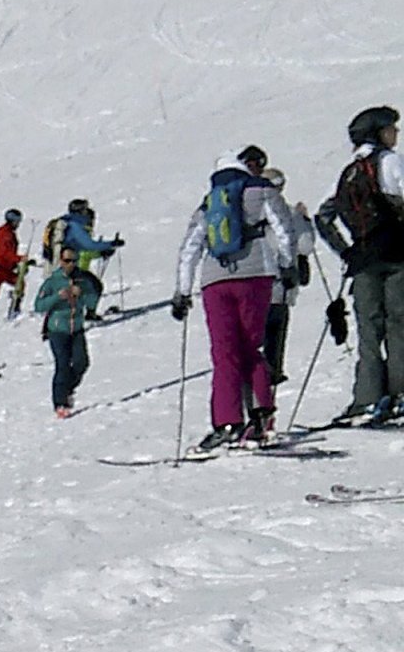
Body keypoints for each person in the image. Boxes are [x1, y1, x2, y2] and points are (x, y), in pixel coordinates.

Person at [172, 144, 298, 449]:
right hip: (256, 276)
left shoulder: (209, 203)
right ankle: (261, 416)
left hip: (215, 280)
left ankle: (227, 423)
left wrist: (182, 292)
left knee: (225, 353)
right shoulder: (262, 191)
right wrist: (288, 264)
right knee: (251, 347)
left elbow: (190, 248)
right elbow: (285, 230)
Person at [316, 106, 404, 423]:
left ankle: (366, 397)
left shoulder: (349, 171)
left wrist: (347, 251)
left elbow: (322, 215)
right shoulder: (390, 161)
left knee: (368, 331)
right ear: (377, 132)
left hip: (363, 262)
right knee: (399, 325)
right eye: (391, 128)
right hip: (397, 257)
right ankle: (400, 394)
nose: (396, 133)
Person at [259, 167, 314, 387]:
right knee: (275, 333)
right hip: (281, 285)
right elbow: (305, 245)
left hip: (251, 283)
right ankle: (272, 372)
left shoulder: (248, 211)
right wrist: (305, 220)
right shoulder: (289, 213)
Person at [33, 244, 101, 417]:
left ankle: (67, 389)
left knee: (81, 362)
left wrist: (83, 294)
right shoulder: (53, 281)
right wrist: (58, 297)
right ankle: (60, 403)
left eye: (74, 260)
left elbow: (92, 302)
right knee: (62, 365)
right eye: (67, 260)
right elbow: (39, 306)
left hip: (76, 328)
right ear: (61, 261)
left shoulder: (83, 279)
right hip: (57, 330)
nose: (71, 264)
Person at [56, 199, 123, 272]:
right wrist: (110, 244)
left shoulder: (68, 223)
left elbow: (84, 250)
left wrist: (101, 253)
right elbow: (89, 246)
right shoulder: (75, 226)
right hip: (69, 270)